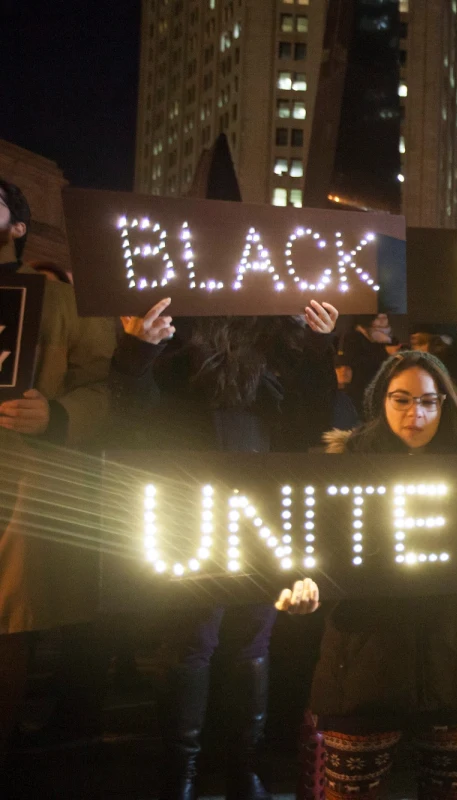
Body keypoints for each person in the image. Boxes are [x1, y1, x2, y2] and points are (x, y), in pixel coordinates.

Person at [113, 296, 339, 800]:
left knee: (252, 634)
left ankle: (241, 765)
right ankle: (182, 772)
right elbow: (136, 417)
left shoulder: (282, 332)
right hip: (189, 494)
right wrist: (138, 352)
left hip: (261, 496)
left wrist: (320, 346)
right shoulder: (173, 323)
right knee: (191, 634)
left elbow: (313, 416)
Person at [277, 351, 457, 799]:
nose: (414, 414)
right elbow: (316, 561)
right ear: (379, 401)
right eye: (400, 399)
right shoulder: (343, 471)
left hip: (447, 669)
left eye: (427, 401)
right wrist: (303, 595)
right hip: (362, 671)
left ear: (445, 404)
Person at [0, 178, 116, 758]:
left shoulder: (61, 301)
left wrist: (57, 415)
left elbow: (102, 387)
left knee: (7, 628)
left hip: (19, 480)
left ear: (18, 227)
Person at [342, 314, 399, 417]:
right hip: (362, 388)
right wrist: (384, 352)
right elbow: (356, 361)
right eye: (378, 318)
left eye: (385, 318)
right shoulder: (354, 337)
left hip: (385, 388)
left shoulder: (391, 339)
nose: (382, 321)